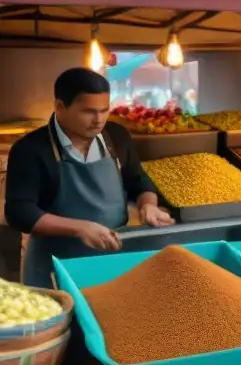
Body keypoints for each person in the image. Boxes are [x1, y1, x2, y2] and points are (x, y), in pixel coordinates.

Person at [6, 68, 174, 287]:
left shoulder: (117, 137)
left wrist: (149, 205)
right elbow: (20, 212)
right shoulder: (30, 150)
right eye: (88, 111)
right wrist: (80, 228)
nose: (99, 120)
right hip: (55, 267)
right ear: (59, 107)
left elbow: (139, 181)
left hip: (113, 260)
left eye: (104, 110)